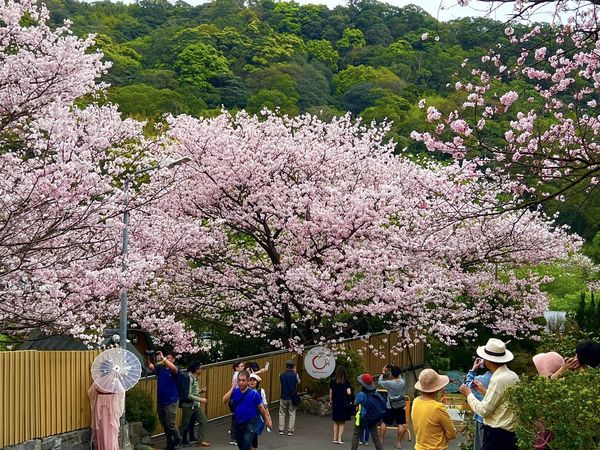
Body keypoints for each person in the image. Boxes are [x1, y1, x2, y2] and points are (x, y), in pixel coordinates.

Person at [459, 338, 519, 450]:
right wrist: (485, 392)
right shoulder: (513, 376)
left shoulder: (498, 380)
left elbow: (484, 411)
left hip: (497, 434)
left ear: (488, 361)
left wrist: (468, 394)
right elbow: (502, 402)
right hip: (510, 434)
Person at [223, 370, 273, 450]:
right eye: (239, 380)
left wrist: (267, 420)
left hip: (250, 423)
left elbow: (261, 407)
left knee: (246, 444)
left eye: (243, 380)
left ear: (247, 381)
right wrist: (232, 387)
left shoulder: (254, 393)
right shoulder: (235, 391)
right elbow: (224, 400)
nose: (241, 382)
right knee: (241, 444)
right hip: (238, 423)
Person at [412, 369, 457, 450]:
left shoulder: (416, 401)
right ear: (438, 388)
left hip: (418, 447)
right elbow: (452, 433)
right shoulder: (438, 407)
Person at [146, 351, 182, 450]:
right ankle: (169, 442)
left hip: (171, 400)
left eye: (169, 358)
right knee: (165, 424)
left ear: (173, 359)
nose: (167, 359)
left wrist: (163, 358)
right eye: (167, 357)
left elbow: (174, 369)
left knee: (171, 423)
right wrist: (147, 357)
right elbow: (149, 365)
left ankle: (178, 440)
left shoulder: (176, 369)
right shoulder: (161, 369)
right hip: (161, 400)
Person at [180, 361, 210, 447]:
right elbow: (188, 395)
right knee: (184, 425)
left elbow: (193, 392)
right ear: (196, 369)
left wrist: (200, 391)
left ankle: (200, 441)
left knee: (203, 421)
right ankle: (175, 441)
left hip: (195, 405)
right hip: (188, 405)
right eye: (200, 368)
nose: (202, 370)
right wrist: (201, 399)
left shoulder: (195, 378)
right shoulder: (190, 377)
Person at [350, 373, 384, 450]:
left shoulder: (361, 394)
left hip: (363, 418)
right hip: (373, 418)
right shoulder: (376, 393)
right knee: (375, 437)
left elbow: (355, 402)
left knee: (356, 435)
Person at [88, 380, 125, 450]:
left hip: (100, 406)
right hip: (111, 405)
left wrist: (99, 393)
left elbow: (90, 392)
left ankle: (102, 447)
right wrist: (115, 396)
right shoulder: (115, 381)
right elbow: (122, 392)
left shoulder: (97, 381)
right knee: (111, 428)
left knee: (101, 428)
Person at [465, 358, 492, 450]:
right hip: (498, 421)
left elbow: (468, 387)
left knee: (480, 445)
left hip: (481, 418)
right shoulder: (504, 378)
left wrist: (473, 370)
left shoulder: (480, 380)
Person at [377, 365, 406, 449]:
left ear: (391, 374)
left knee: (384, 422)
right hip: (400, 406)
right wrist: (394, 369)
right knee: (400, 424)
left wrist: (383, 372)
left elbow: (379, 382)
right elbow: (399, 375)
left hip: (390, 406)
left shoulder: (389, 383)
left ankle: (381, 440)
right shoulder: (403, 382)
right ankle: (398, 443)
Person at [329, 365, 353, 444]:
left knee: (336, 421)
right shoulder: (346, 382)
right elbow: (349, 392)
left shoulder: (333, 381)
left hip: (335, 403)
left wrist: (330, 401)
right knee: (342, 422)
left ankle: (334, 438)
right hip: (343, 403)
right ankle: (339, 439)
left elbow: (331, 393)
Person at [248, 373, 271, 450]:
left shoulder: (261, 391)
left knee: (254, 435)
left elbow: (264, 405)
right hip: (247, 417)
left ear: (257, 382)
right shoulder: (244, 391)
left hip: (257, 417)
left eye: (254, 380)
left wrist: (268, 418)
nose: (252, 382)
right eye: (250, 380)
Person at [278, 359, 300, 436]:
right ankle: (290, 431)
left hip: (283, 396)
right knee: (292, 413)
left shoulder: (281, 375)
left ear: (286, 366)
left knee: (282, 413)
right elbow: (298, 382)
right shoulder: (295, 375)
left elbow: (281, 383)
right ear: (293, 367)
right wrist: (295, 372)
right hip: (292, 397)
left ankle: (281, 429)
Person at [229, 361, 246, 444]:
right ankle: (236, 437)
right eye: (240, 366)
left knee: (235, 418)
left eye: (243, 366)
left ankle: (234, 436)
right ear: (236, 368)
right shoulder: (238, 376)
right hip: (236, 398)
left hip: (234, 398)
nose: (242, 367)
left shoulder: (237, 374)